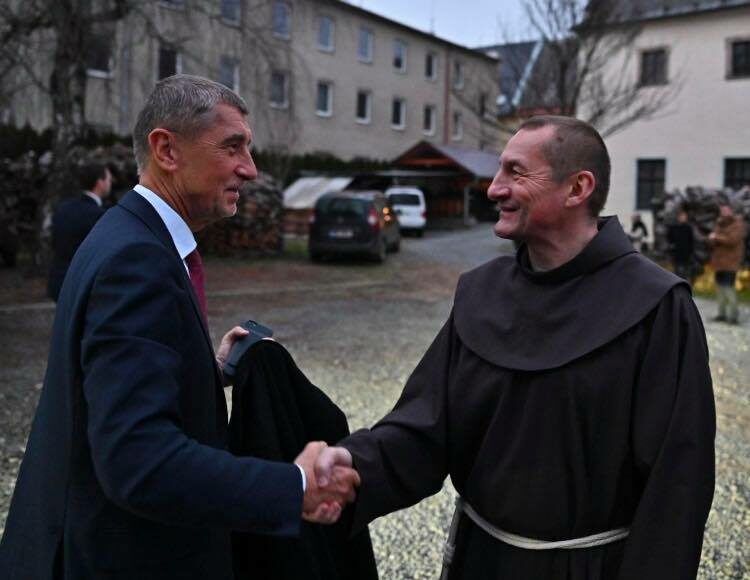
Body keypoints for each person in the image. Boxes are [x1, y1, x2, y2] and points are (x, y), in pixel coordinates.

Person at [316, 116, 715, 579]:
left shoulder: (656, 306)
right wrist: (351, 465)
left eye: (515, 172)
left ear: (577, 188)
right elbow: (424, 428)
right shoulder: (481, 292)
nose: (494, 189)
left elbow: (677, 486)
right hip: (480, 562)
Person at [0, 75, 358, 580]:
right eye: (233, 147)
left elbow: (106, 385)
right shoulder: (137, 259)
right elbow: (136, 460)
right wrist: (293, 486)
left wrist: (203, 369)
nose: (250, 170)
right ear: (166, 149)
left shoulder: (127, 233)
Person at [47, 162, 112, 301]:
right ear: (100, 183)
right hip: (86, 285)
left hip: (59, 280)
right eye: (108, 179)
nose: (110, 182)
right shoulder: (100, 215)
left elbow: (54, 243)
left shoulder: (63, 209)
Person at [708, 203, 746, 324]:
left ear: (731, 211)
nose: (723, 213)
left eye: (725, 210)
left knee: (729, 288)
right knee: (719, 288)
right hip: (719, 262)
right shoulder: (720, 223)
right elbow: (715, 240)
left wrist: (716, 237)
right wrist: (712, 239)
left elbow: (732, 240)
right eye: (722, 210)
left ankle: (733, 316)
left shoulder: (737, 224)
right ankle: (722, 314)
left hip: (730, 262)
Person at [667, 209, 695, 285]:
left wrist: (691, 252)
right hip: (676, 253)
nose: (683, 218)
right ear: (678, 217)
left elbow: (691, 241)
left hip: (686, 254)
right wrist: (671, 248)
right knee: (677, 271)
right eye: (682, 216)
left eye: (684, 216)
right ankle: (677, 286)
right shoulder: (673, 227)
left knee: (684, 272)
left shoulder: (688, 228)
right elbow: (669, 239)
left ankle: (684, 286)